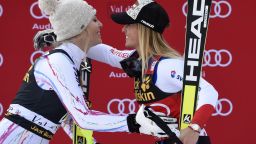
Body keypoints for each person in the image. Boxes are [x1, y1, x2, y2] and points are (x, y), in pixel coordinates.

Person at [34, 0, 218, 144]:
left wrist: (194, 127)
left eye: (128, 25)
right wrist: (59, 36)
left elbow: (208, 91)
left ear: (143, 28)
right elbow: (93, 48)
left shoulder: (167, 65)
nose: (123, 29)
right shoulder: (138, 62)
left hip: (190, 140)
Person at [0, 0, 179, 144]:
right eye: (94, 20)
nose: (101, 24)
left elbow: (128, 62)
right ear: (81, 27)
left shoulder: (72, 56)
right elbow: (83, 117)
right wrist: (135, 123)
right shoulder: (59, 62)